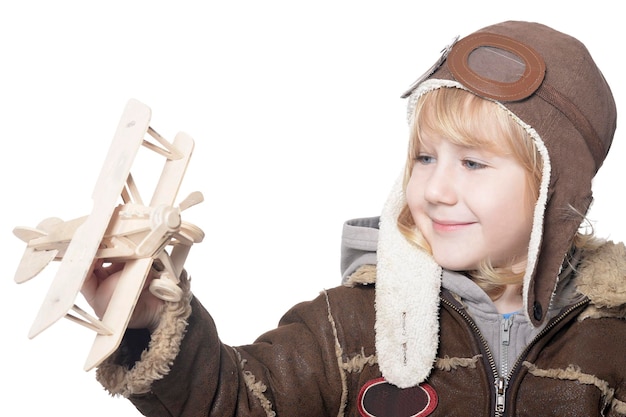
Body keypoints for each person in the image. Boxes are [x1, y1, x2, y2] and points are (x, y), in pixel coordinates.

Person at [84, 21, 626, 416]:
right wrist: (148, 324)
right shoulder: (350, 328)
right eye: (424, 157)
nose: (435, 190)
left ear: (557, 191)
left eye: (474, 163)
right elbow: (237, 402)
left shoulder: (614, 337)